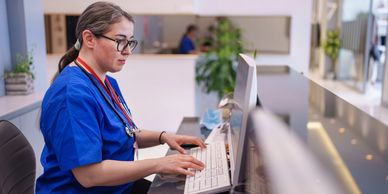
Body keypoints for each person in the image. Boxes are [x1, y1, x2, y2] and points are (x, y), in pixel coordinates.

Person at [36, 2, 205, 194]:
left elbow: (125, 133)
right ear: (89, 38)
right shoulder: (72, 95)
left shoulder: (106, 82)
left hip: (117, 187)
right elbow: (89, 175)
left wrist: (163, 136)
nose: (128, 51)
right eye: (120, 40)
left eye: (130, 41)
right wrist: (159, 163)